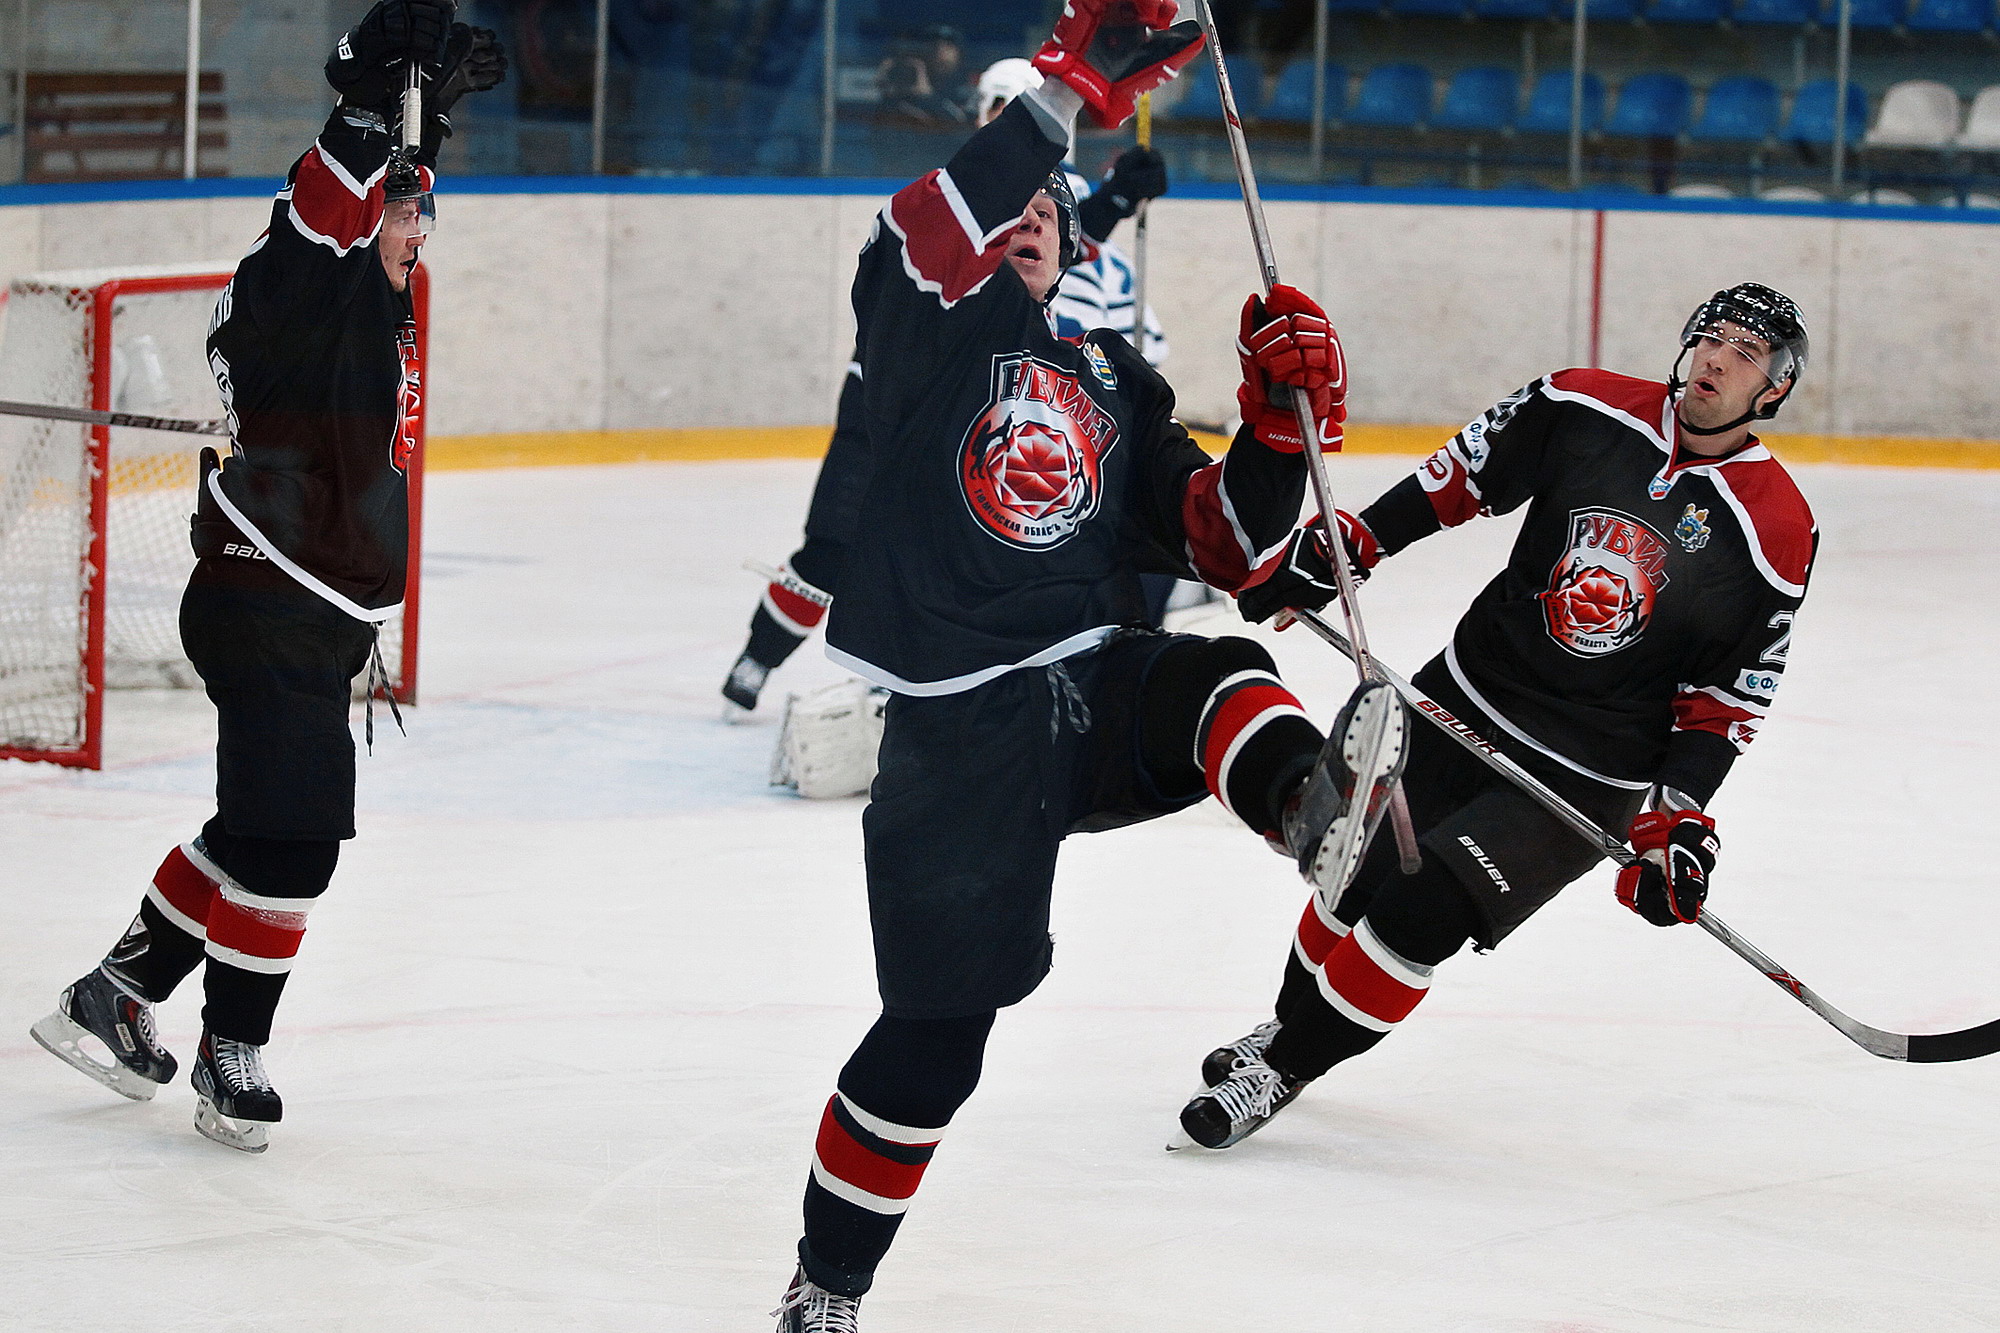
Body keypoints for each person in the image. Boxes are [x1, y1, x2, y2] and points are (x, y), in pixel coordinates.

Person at [767, 3, 1408, 1326]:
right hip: (959, 725)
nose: (1034, 220)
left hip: (1089, 675)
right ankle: (827, 1290)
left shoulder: (1113, 374)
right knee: (938, 1041)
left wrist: (1278, 428)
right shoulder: (920, 337)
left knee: (1213, 669)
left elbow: (1225, 544)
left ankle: (1313, 818)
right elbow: (916, 235)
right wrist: (1060, 100)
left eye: (1052, 213)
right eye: (1014, 211)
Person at [1178, 282, 1819, 1150]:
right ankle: (1291, 1029)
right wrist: (1351, 544)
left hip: (1589, 773)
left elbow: (1729, 695)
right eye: (1712, 338)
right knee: (1354, 872)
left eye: (1746, 354)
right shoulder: (1579, 403)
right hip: (1465, 696)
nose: (1717, 359)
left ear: (1772, 391)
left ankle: (1287, 1065)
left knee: (1422, 912)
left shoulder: (1778, 526)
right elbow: (1461, 478)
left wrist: (1677, 819)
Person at [26, 0, 505, 1154]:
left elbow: (377, 210)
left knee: (259, 827)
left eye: (418, 212)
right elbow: (323, 212)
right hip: (265, 590)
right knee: (293, 841)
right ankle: (230, 1048)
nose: (413, 226)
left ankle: (119, 989)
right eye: (399, 214)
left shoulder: (370, 297)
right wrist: (359, 113)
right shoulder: (298, 287)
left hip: (313, 603)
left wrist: (421, 121)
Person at [722, 57, 1173, 717]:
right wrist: (1108, 202)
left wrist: (1112, 201)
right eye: (1001, 107)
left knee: (958, 551)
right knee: (834, 546)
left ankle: (924, 683)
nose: (1008, 119)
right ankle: (760, 653)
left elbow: (1048, 250)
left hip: (978, 403)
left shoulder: (1041, 195)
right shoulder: (958, 193)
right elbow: (989, 247)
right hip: (893, 399)